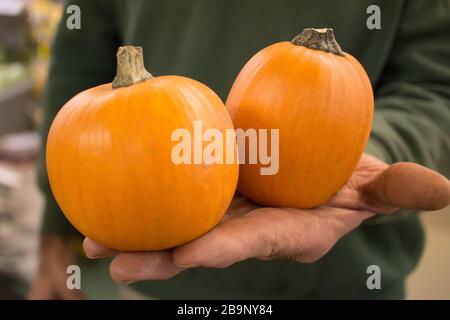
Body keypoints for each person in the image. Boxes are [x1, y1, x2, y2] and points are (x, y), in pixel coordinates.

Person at [29, 0, 450, 300]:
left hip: (346, 280)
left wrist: (351, 156)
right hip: (159, 284)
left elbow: (436, 87)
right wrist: (56, 227)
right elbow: (81, 58)